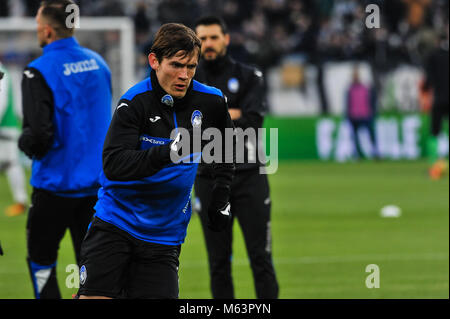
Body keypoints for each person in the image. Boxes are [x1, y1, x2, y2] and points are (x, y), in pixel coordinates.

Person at [76, 22, 235, 299]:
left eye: (191, 67)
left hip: (164, 237)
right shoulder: (134, 102)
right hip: (117, 224)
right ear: (154, 61)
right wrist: (169, 152)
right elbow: (114, 164)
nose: (184, 75)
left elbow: (227, 146)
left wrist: (221, 195)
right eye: (176, 65)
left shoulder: (211, 102)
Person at [18, 0, 112, 299]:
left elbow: (39, 136)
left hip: (55, 187)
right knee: (92, 271)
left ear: (46, 30)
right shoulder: (99, 64)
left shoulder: (38, 71)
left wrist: (21, 142)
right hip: (97, 190)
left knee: (41, 261)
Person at [194, 16, 279, 299]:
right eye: (202, 39)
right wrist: (232, 114)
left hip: (249, 176)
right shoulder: (189, 79)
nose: (208, 44)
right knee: (218, 263)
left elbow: (253, 122)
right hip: (208, 179)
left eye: (213, 37)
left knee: (261, 258)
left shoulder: (249, 75)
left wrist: (208, 119)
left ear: (226, 39)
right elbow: (184, 126)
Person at [0, 63, 28, 217]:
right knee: (10, 164)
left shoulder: (1, 72)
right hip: (7, 125)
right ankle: (21, 201)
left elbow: (1, 101)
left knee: (11, 163)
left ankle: (21, 201)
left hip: (5, 127)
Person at [423, 30, 449, 180]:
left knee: (434, 132)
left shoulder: (433, 56)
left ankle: (434, 167)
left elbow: (428, 82)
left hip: (439, 99)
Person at [346, 65, 378, 160]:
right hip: (354, 116)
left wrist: (372, 113)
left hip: (365, 115)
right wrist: (348, 115)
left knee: (371, 135)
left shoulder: (365, 88)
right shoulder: (350, 89)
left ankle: (375, 152)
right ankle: (358, 154)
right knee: (355, 138)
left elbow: (371, 101)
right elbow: (348, 103)